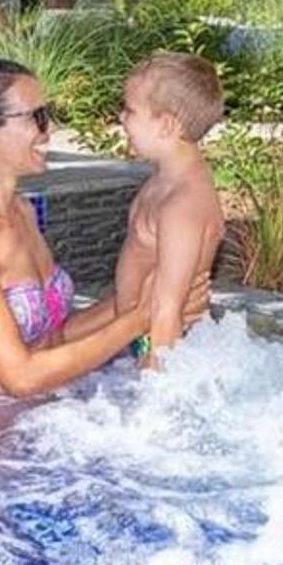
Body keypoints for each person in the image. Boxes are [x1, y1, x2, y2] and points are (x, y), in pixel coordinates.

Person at [0, 59, 170, 401]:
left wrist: (142, 300)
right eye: (35, 117)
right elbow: (20, 378)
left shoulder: (21, 210)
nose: (48, 129)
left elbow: (54, 336)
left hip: (39, 412)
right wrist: (137, 321)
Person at [111, 52, 226, 366]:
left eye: (130, 110)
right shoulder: (165, 179)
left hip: (159, 345)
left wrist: (150, 385)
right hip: (137, 337)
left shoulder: (183, 205)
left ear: (166, 125)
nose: (121, 118)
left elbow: (167, 311)